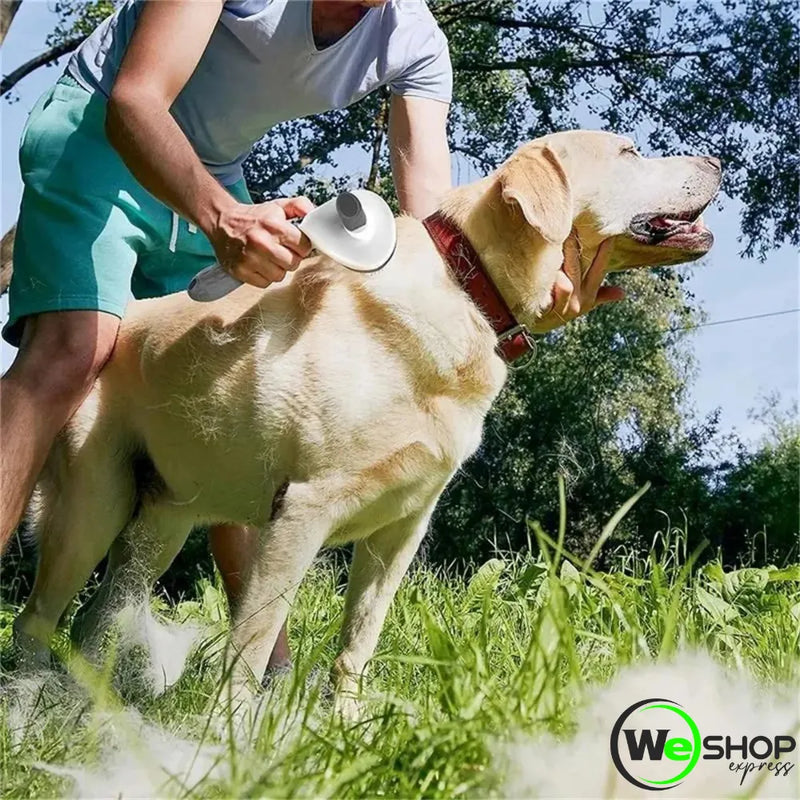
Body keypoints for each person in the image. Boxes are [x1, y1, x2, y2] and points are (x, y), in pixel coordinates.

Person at [0, 0, 622, 667]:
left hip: (214, 167)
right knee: (74, 352)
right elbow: (136, 100)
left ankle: (271, 685)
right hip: (101, 130)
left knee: (239, 384)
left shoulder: (415, 44)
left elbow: (438, 240)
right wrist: (224, 219)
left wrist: (522, 302)